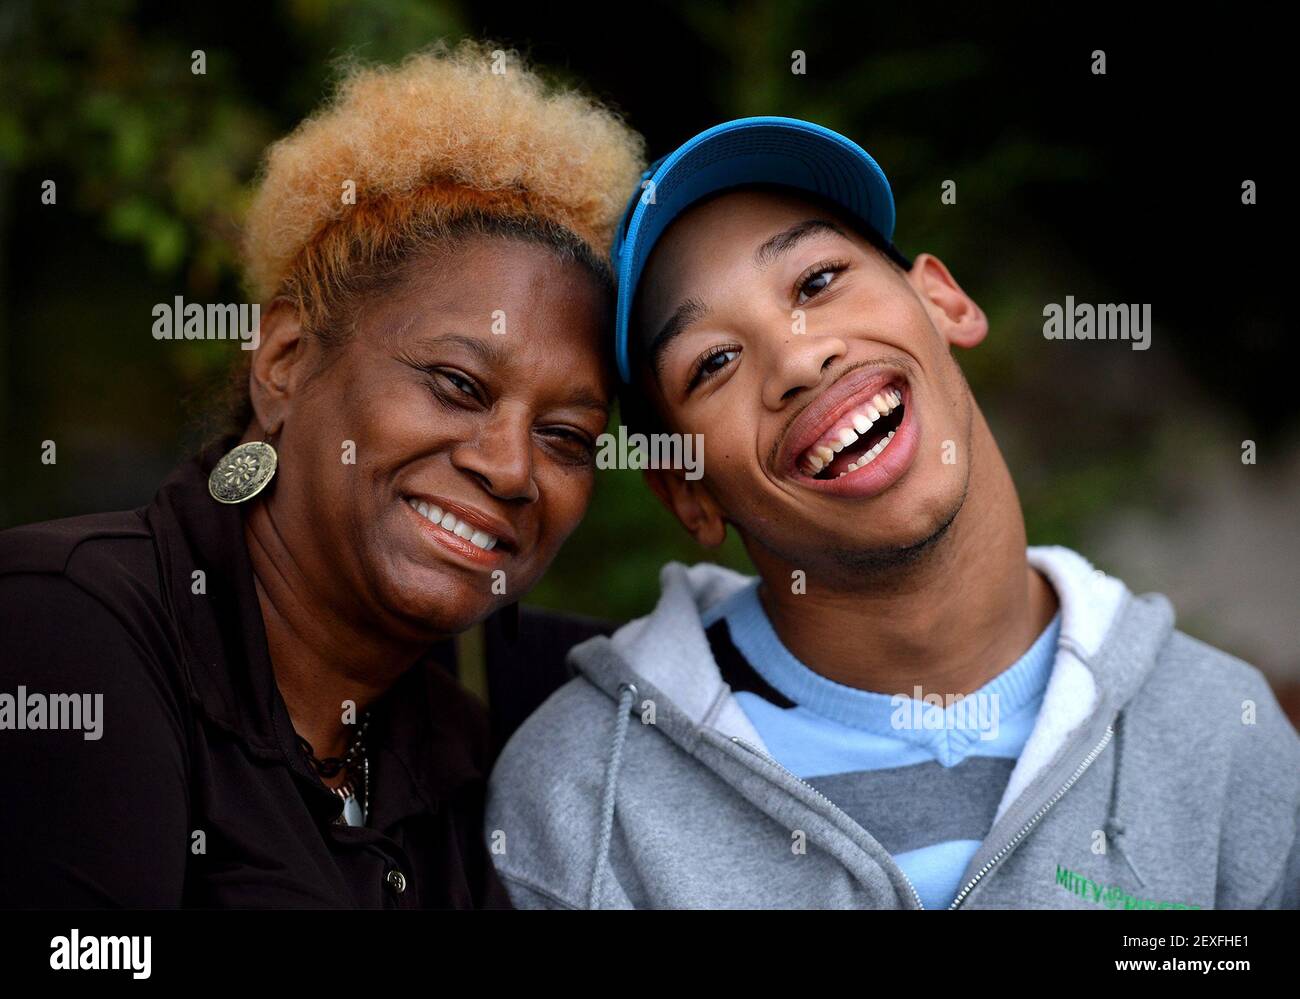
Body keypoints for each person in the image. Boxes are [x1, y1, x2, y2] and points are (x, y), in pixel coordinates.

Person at [484, 116, 1300, 909]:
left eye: (817, 281)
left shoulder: (1224, 737)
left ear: (944, 302)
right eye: (715, 361)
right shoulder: (585, 806)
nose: (801, 357)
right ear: (688, 493)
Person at [0, 40, 644, 908]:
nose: (510, 465)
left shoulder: (483, 731)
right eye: (458, 385)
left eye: (566, 435)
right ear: (285, 362)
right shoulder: (72, 623)